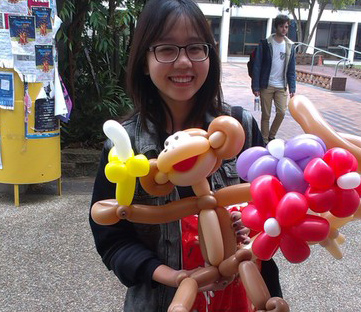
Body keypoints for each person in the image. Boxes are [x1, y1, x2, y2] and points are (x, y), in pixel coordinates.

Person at [89, 0, 282, 311]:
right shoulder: (125, 150)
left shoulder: (240, 128)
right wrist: (179, 279)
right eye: (166, 49)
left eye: (195, 48)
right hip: (165, 301)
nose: (183, 62)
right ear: (144, 60)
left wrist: (255, 232)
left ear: (210, 54)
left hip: (247, 296)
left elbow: (274, 206)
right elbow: (113, 240)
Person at [251, 14, 296, 145]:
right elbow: (257, 66)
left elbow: (291, 69)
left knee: (281, 112)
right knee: (266, 115)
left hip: (281, 85)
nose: (284, 29)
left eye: (286, 27)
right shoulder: (265, 44)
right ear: (276, 26)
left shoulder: (289, 46)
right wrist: (256, 87)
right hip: (267, 85)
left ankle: (271, 135)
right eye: (281, 26)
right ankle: (264, 140)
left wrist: (292, 88)